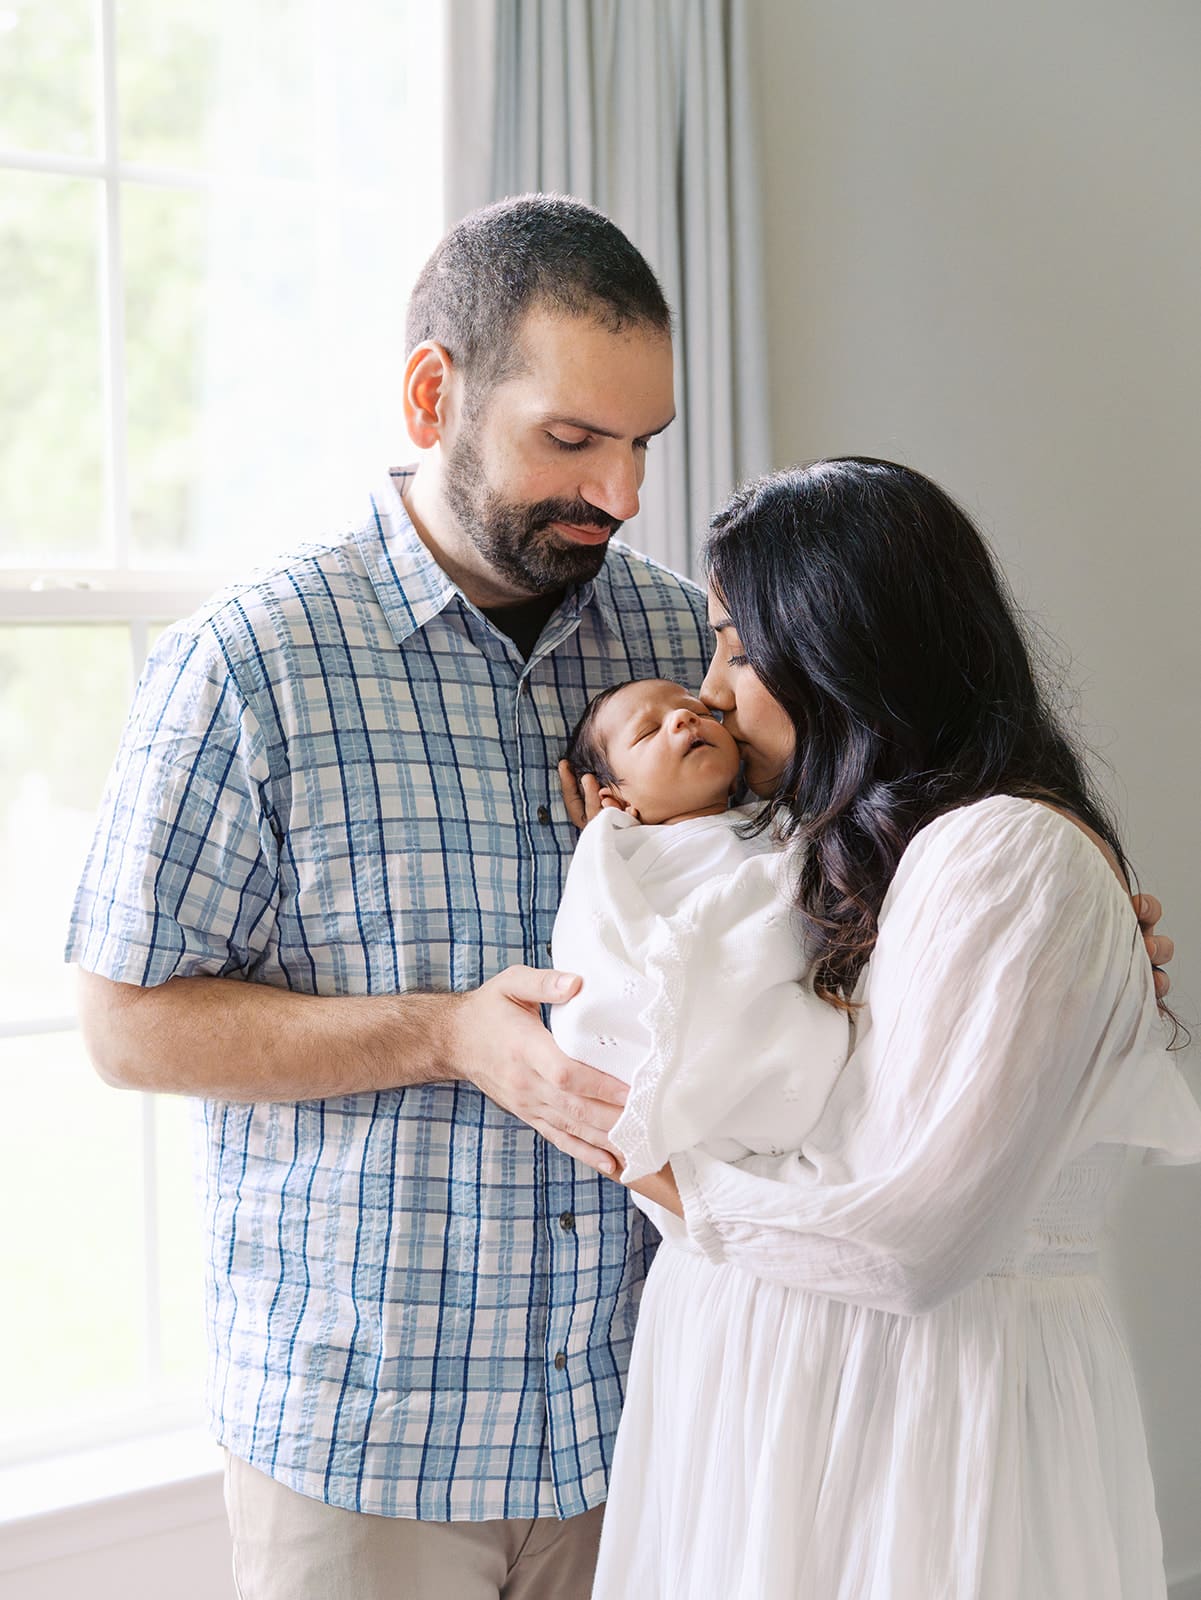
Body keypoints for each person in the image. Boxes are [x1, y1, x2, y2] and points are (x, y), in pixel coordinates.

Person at [66, 195, 714, 1600]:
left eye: (640, 444)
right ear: (436, 394)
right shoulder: (250, 668)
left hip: (654, 1422)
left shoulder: (687, 639)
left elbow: (825, 876)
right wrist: (442, 1034)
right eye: (572, 440)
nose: (621, 494)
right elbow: (127, 1028)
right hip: (371, 1457)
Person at [566, 459, 1201, 1600]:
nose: (711, 691)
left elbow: (911, 1240)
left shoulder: (1005, 854)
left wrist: (671, 1179)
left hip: (911, 1425)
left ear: (844, 646)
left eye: (737, 647)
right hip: (787, 1416)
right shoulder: (850, 862)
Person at [550, 677, 849, 1183]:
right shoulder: (621, 857)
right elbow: (598, 945)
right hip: (694, 1034)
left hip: (784, 1013)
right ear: (616, 800)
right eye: (648, 732)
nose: (685, 719)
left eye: (698, 712)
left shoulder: (779, 822)